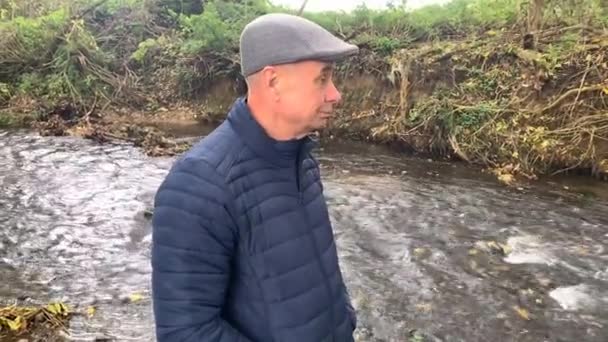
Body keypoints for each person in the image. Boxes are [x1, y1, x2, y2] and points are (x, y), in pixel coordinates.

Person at [151, 12, 359, 342]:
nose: (335, 94)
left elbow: (316, 266)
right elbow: (187, 333)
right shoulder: (198, 185)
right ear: (273, 81)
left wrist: (344, 319)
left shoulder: (300, 158)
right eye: (322, 78)